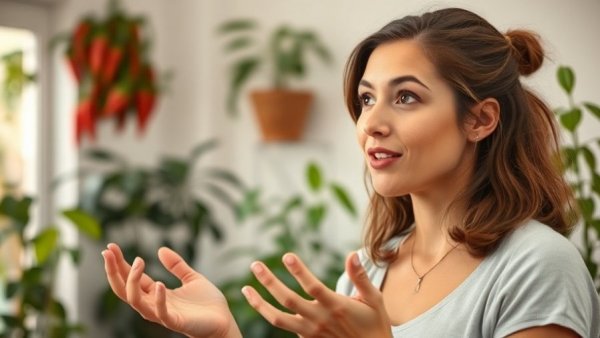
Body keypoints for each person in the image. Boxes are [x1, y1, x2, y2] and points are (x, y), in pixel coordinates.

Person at [101, 7, 600, 338]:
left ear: (480, 119)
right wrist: (225, 332)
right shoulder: (368, 271)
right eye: (366, 99)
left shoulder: (537, 266)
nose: (371, 124)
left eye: (406, 97)